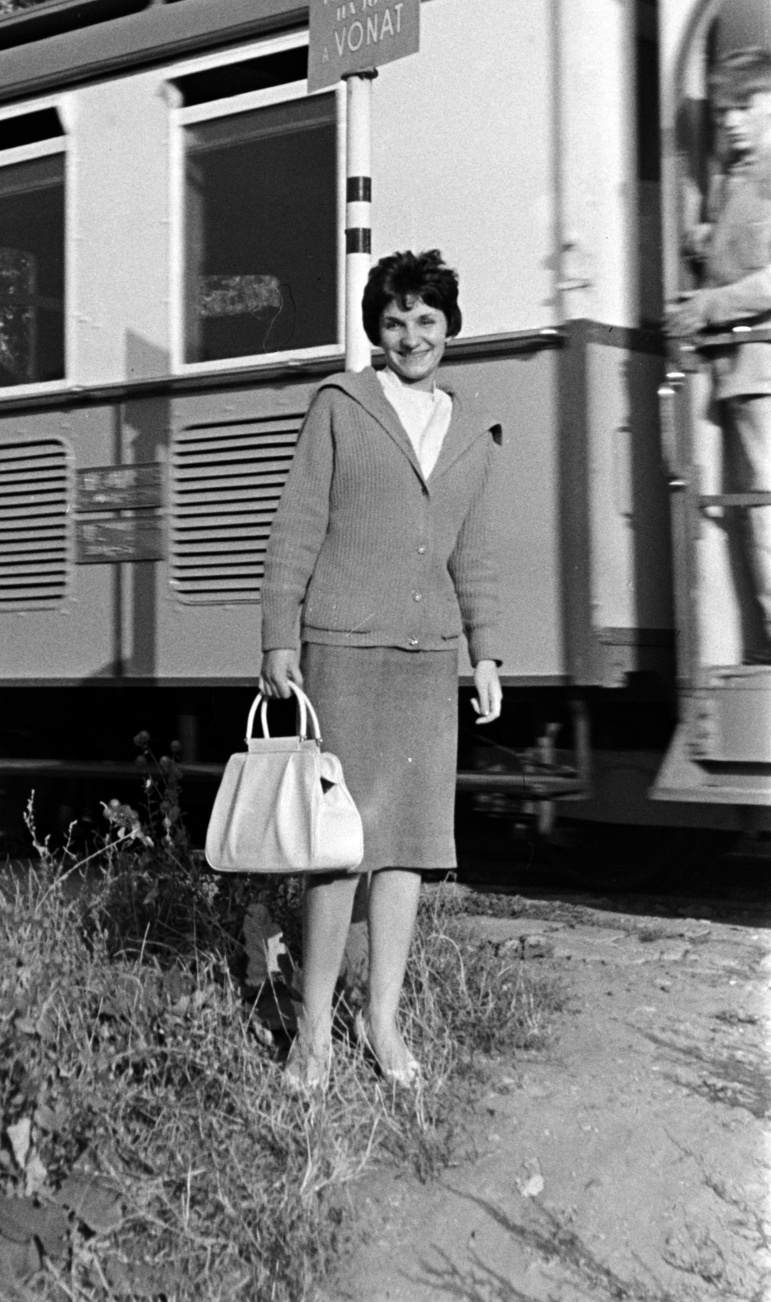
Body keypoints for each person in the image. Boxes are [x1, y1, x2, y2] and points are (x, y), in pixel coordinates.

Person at [259, 249, 503, 1091]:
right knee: (339, 851)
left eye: (427, 320)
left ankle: (383, 1021)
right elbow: (296, 523)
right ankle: (314, 1034)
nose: (412, 336)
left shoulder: (470, 430)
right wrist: (277, 638)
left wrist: (487, 654)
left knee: (406, 851)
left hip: (428, 656)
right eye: (396, 321)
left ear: (449, 328)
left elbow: (473, 553)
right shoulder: (342, 405)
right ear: (378, 329)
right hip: (345, 645)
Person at [666, 48, 771, 662]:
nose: (731, 120)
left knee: (765, 509)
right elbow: (727, 247)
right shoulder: (738, 179)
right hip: (744, 372)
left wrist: (708, 306)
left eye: (746, 105)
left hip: (763, 368)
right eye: (726, 108)